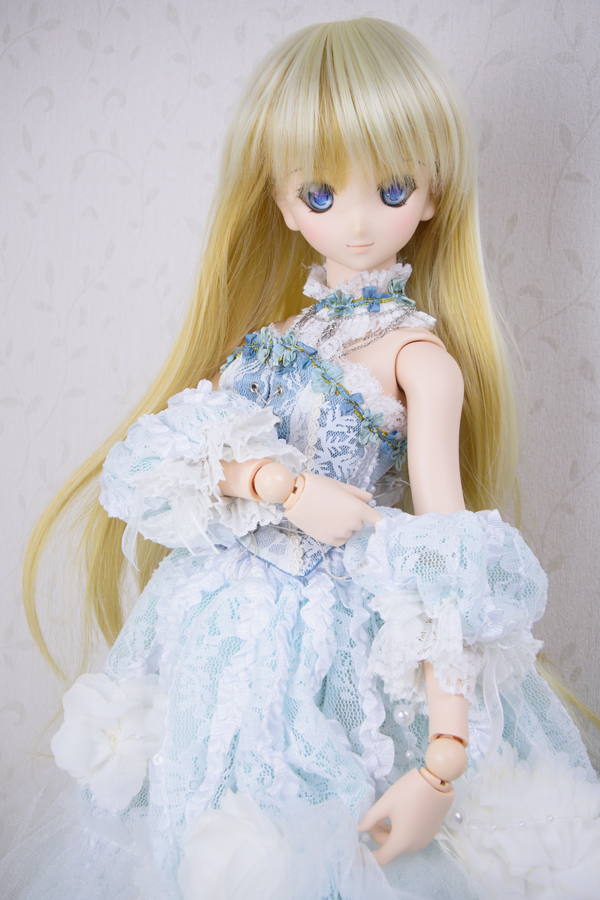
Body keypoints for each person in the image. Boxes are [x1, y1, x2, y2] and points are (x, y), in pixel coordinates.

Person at [5, 17, 600, 900]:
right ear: (283, 204)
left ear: (433, 195)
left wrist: (443, 759)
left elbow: (443, 558)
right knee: (199, 837)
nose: (356, 221)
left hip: (344, 640)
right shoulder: (269, 341)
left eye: (391, 188)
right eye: (320, 194)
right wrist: (274, 483)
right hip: (219, 637)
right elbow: (154, 467)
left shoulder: (419, 362)